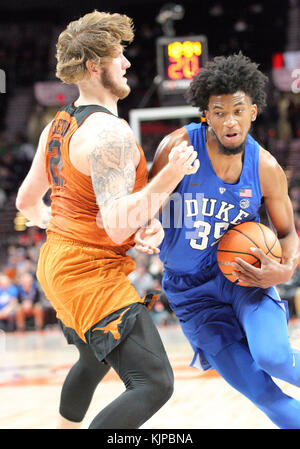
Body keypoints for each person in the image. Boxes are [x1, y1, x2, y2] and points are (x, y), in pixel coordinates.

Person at [15, 10, 199, 429]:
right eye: (120, 55)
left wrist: (86, 227)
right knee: (154, 382)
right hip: (85, 273)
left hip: (57, 262)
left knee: (91, 358)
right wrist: (168, 178)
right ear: (95, 65)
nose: (128, 63)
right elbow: (115, 223)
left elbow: (28, 202)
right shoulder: (108, 134)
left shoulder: (57, 126)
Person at [135, 53, 300, 429]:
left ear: (253, 112)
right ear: (204, 115)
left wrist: (284, 269)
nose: (229, 121)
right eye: (219, 111)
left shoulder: (266, 168)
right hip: (192, 294)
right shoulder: (178, 148)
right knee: (261, 392)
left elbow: (288, 234)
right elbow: (145, 206)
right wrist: (146, 225)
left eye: (238, 110)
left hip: (245, 279)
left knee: (274, 356)